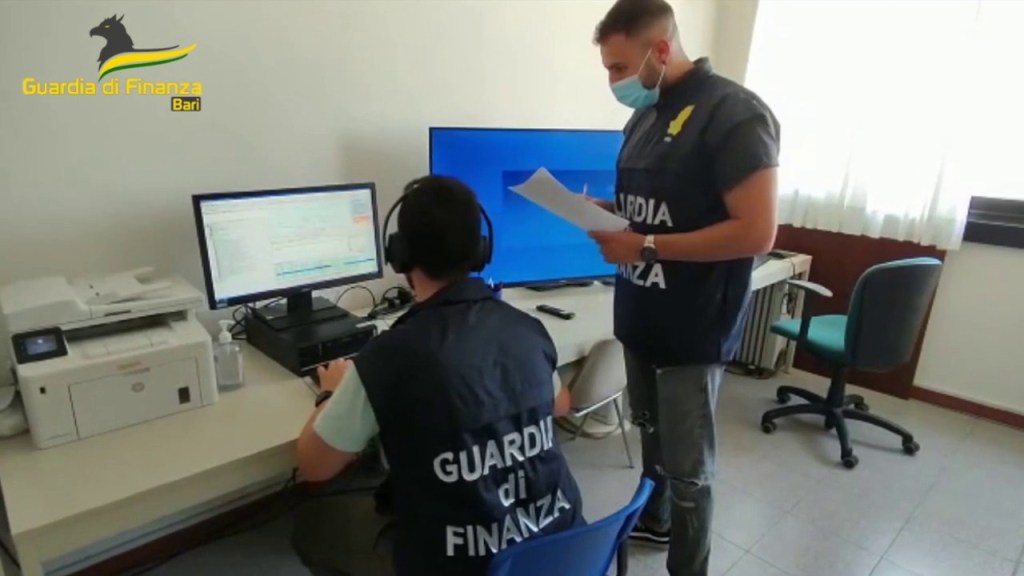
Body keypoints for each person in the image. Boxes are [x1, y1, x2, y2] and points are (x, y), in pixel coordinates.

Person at [292, 175, 584, 576]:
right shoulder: (525, 328)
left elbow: (314, 466)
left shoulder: (388, 357)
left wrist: (330, 393)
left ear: (400, 255)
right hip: (561, 550)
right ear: (481, 251)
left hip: (467, 566)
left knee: (314, 525)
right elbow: (560, 404)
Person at [587, 1, 781, 575]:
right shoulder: (644, 117)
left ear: (661, 50)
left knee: (689, 469)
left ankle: (688, 567)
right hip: (640, 311)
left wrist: (646, 246)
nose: (613, 82)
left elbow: (757, 232)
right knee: (650, 437)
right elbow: (658, 207)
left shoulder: (735, 114)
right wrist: (605, 212)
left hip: (693, 322)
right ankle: (657, 520)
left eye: (619, 68)